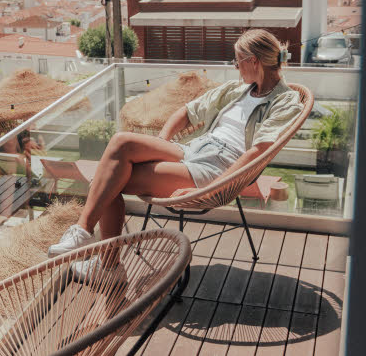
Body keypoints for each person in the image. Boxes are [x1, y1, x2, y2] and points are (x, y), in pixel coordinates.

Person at [48, 29, 304, 278]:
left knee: (105, 183)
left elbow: (258, 152)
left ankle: (107, 267)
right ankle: (84, 234)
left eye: (238, 62)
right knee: (121, 142)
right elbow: (185, 112)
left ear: (254, 61)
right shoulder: (235, 91)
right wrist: (159, 146)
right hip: (193, 149)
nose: (236, 68)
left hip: (217, 167)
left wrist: (213, 188)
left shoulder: (286, 101)